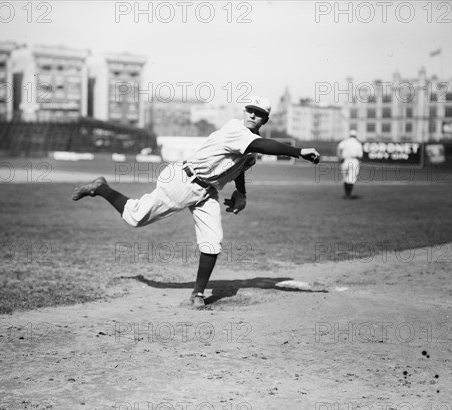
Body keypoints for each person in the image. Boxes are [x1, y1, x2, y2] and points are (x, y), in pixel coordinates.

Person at [72, 96, 320, 308]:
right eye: (250, 111)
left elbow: (242, 165)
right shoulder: (235, 129)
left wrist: (241, 193)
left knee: (213, 241)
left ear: (265, 120)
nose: (253, 116)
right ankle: (100, 188)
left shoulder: (249, 146)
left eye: (259, 115)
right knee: (135, 217)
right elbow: (260, 145)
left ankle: (197, 293)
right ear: (244, 112)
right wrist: (298, 152)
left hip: (207, 191)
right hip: (183, 180)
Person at [337, 129, 364, 199]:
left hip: (345, 160)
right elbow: (360, 155)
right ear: (356, 135)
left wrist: (339, 157)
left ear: (349, 135)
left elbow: (339, 148)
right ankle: (349, 195)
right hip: (354, 160)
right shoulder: (358, 143)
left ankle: (346, 194)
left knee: (345, 179)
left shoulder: (345, 142)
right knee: (351, 179)